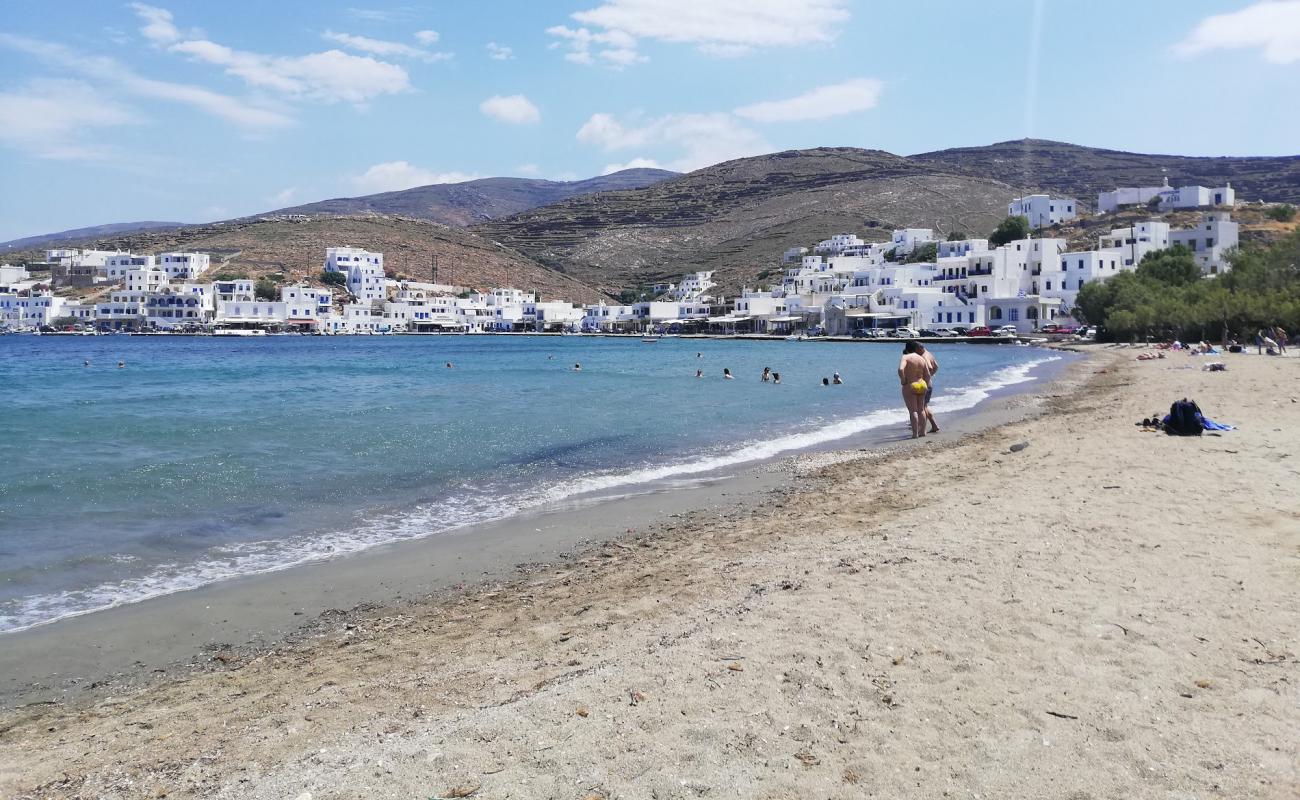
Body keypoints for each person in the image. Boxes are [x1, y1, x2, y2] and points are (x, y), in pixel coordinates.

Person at [898, 341, 931, 439]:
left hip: (911, 384)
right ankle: (923, 431)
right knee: (921, 409)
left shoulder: (906, 357)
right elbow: (928, 375)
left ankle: (915, 433)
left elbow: (900, 369)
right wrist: (926, 383)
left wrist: (903, 380)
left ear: (907, 348)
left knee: (913, 411)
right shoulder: (921, 358)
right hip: (922, 384)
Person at [915, 343, 940, 433]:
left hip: (925, 384)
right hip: (929, 383)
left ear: (919, 348)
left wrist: (925, 379)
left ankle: (922, 429)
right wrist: (930, 376)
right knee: (924, 406)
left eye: (916, 350)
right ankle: (934, 425)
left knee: (921, 408)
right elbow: (936, 366)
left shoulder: (924, 356)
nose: (915, 353)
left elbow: (929, 367)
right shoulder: (929, 353)